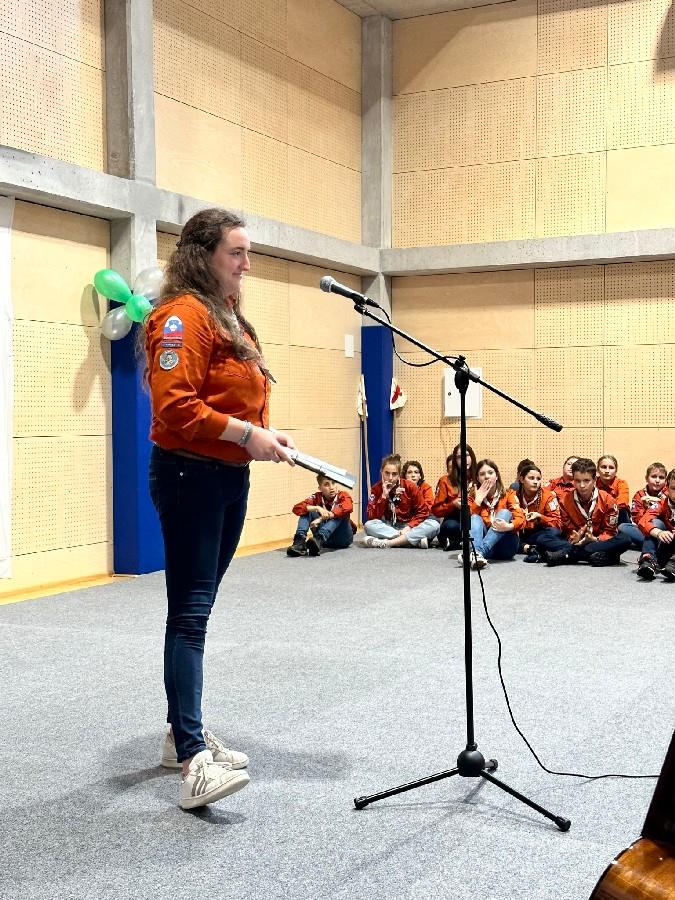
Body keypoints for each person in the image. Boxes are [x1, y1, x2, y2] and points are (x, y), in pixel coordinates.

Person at [144, 208, 296, 810]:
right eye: (237, 252)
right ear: (202, 255)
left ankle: (180, 730)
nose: (247, 264)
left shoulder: (227, 314)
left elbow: (235, 398)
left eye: (247, 252)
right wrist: (246, 433)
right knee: (188, 615)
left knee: (196, 612)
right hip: (190, 476)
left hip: (228, 477)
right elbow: (176, 407)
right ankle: (191, 759)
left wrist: (262, 433)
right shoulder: (182, 316)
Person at [541, 458, 632, 567]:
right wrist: (575, 537)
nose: (582, 485)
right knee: (543, 538)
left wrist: (595, 539)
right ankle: (606, 557)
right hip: (578, 542)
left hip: (599, 542)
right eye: (577, 481)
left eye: (586, 481)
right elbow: (568, 529)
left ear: (594, 480)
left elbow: (610, 532)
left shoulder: (608, 500)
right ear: (573, 480)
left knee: (625, 539)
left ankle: (570, 554)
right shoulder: (565, 500)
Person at [364, 454, 434, 548]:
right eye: (387, 473)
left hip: (410, 526)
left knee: (434, 525)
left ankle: (389, 543)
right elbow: (372, 516)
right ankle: (409, 540)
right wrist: (384, 496)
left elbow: (423, 512)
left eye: (394, 474)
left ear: (399, 474)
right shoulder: (376, 489)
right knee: (369, 525)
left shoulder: (410, 487)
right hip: (389, 526)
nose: (390, 478)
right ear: (381, 472)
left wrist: (409, 527)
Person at [466, 459, 525, 569]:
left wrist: (509, 526)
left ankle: (477, 553)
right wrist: (477, 501)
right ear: (477, 478)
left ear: (497, 476)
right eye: (482, 474)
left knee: (504, 513)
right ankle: (478, 554)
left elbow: (521, 518)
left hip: (505, 546)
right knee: (474, 518)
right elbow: (465, 525)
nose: (486, 477)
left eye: (490, 473)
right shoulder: (472, 497)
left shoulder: (509, 494)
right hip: (483, 542)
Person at [287, 474, 356, 557]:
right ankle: (299, 543)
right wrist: (317, 507)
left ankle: (320, 537)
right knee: (306, 509)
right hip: (323, 542)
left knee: (340, 513)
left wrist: (320, 519)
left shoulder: (343, 495)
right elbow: (296, 508)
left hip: (342, 539)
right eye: (326, 484)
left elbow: (348, 507)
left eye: (333, 483)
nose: (331, 487)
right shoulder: (316, 497)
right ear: (320, 488)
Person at [618, 462, 667, 577]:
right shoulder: (639, 495)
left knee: (655, 522)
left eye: (661, 477)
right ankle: (652, 545)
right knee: (623, 527)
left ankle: (647, 556)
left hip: (663, 529)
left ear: (666, 480)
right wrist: (647, 509)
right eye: (653, 476)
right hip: (645, 529)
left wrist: (657, 502)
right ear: (646, 478)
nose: (657, 480)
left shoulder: (669, 492)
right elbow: (638, 519)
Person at [432, 444, 477, 551]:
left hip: (475, 518)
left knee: (478, 527)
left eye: (467, 455)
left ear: (472, 457)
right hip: (454, 519)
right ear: (455, 461)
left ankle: (457, 543)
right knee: (450, 527)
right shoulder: (445, 480)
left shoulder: (479, 477)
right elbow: (436, 511)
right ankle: (463, 542)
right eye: (459, 457)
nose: (464, 459)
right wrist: (452, 504)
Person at [516, 464, 562, 562]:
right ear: (522, 479)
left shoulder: (548, 496)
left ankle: (527, 547)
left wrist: (540, 517)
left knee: (554, 532)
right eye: (531, 478)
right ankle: (530, 548)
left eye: (538, 479)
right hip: (519, 532)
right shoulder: (514, 494)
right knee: (506, 536)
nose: (535, 482)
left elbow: (557, 523)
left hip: (538, 533)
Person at [636, 467, 675, 582]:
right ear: (667, 488)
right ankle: (648, 560)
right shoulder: (662, 503)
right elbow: (644, 521)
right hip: (667, 543)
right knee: (655, 523)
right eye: (674, 488)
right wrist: (659, 533)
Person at [401, 460, 441, 547]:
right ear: (405, 476)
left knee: (435, 524)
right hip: (406, 521)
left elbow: (427, 509)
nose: (413, 475)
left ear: (420, 476)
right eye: (409, 472)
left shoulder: (426, 487)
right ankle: (415, 540)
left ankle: (402, 540)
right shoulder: (400, 488)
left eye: (416, 472)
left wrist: (415, 491)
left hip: (422, 520)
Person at [597, 454, 630, 524]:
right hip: (597, 515)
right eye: (603, 467)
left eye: (611, 468)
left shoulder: (621, 483)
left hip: (619, 516)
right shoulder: (593, 483)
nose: (607, 471)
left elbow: (623, 502)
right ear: (597, 469)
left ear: (616, 471)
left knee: (622, 511)